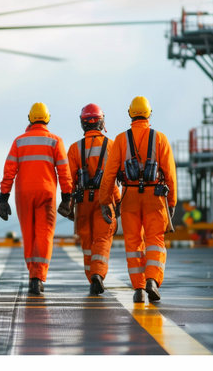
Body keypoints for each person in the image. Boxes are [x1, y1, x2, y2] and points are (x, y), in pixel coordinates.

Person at [99, 96, 177, 303]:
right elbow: (170, 173)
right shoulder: (160, 139)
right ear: (149, 114)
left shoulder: (120, 140)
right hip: (156, 197)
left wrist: (105, 201)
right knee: (155, 241)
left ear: (130, 114)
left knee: (133, 244)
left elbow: (108, 176)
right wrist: (172, 202)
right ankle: (152, 279)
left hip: (130, 198)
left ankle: (138, 288)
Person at [0, 102, 74, 295]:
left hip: (23, 194)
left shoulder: (19, 142)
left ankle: (33, 274)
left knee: (29, 235)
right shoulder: (55, 141)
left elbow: (9, 172)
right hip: (46, 194)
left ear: (30, 119)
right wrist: (67, 197)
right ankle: (37, 278)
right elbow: (64, 172)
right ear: (47, 119)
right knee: (45, 235)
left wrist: (3, 198)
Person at [67, 104, 121, 295]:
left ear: (83, 123)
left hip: (82, 202)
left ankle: (92, 278)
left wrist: (69, 204)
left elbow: (69, 181)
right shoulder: (112, 145)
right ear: (101, 122)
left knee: (88, 243)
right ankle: (98, 274)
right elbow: (113, 178)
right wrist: (118, 200)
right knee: (102, 240)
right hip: (104, 201)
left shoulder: (74, 149)